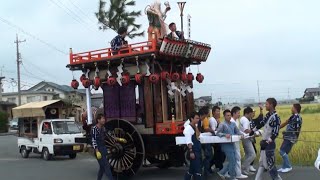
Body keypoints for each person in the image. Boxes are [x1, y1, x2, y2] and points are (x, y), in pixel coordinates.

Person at [251, 98, 282, 180]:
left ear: (271, 105)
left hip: (269, 144)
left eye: (267, 104)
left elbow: (275, 133)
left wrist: (267, 142)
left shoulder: (276, 118)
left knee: (270, 165)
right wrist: (252, 131)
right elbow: (261, 123)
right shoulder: (268, 115)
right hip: (264, 143)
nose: (265, 105)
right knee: (262, 163)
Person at [216, 109, 244, 180]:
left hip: (232, 144)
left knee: (233, 160)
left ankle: (222, 172)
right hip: (225, 145)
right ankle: (232, 177)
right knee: (232, 161)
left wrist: (242, 134)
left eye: (230, 115)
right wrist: (225, 135)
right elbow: (217, 133)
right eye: (227, 115)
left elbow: (237, 131)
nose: (229, 117)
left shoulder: (233, 124)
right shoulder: (222, 124)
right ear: (224, 116)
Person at [278, 104, 303, 173]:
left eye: (292, 107)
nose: (291, 109)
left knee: (282, 151)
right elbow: (286, 123)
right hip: (288, 136)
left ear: (295, 108)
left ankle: (288, 166)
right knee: (285, 152)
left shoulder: (297, 117)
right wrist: (278, 129)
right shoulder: (292, 117)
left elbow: (297, 129)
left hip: (291, 137)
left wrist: (295, 138)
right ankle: (284, 167)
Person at [91, 114, 114, 180]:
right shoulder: (94, 129)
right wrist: (97, 151)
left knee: (102, 167)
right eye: (102, 119)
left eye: (104, 118)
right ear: (98, 120)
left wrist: (117, 139)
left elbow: (108, 136)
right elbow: (93, 140)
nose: (104, 120)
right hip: (98, 149)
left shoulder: (103, 128)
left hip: (104, 148)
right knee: (106, 166)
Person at [230, 106, 248, 179]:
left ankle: (235, 173)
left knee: (237, 157)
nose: (239, 114)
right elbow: (233, 132)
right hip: (233, 141)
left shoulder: (236, 121)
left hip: (236, 140)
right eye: (238, 113)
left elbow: (238, 130)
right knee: (236, 158)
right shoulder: (231, 121)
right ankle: (237, 174)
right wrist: (243, 134)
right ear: (234, 113)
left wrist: (244, 134)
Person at [184, 111, 202, 180]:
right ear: (192, 119)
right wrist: (191, 152)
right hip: (194, 151)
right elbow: (189, 141)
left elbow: (198, 136)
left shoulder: (195, 126)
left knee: (191, 170)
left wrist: (196, 127)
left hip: (198, 149)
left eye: (198, 118)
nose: (198, 120)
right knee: (197, 169)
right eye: (196, 118)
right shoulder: (188, 128)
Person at [240, 107, 256, 175]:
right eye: (251, 113)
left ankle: (246, 170)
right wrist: (255, 132)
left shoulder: (242, 118)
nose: (252, 114)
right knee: (252, 154)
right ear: (248, 113)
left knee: (247, 154)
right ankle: (243, 167)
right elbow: (246, 130)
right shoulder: (245, 120)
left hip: (245, 138)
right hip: (246, 139)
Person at [210, 106, 226, 171]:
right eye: (217, 111)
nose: (219, 113)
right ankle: (220, 168)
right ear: (213, 112)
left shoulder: (217, 120)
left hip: (218, 139)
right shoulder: (212, 120)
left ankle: (216, 166)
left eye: (219, 111)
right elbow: (214, 130)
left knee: (218, 154)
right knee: (220, 154)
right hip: (215, 140)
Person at [200, 106, 214, 176]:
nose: (210, 113)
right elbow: (206, 129)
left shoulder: (204, 119)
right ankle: (206, 170)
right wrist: (213, 131)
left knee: (208, 155)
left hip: (205, 139)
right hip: (206, 139)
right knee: (209, 155)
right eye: (209, 111)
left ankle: (206, 169)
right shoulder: (205, 119)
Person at [249, 105, 264, 172]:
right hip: (248, 138)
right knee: (252, 152)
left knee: (252, 152)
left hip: (251, 139)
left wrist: (261, 110)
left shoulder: (253, 120)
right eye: (252, 112)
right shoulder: (246, 120)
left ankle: (249, 165)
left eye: (254, 112)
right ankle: (248, 165)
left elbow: (260, 118)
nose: (254, 113)